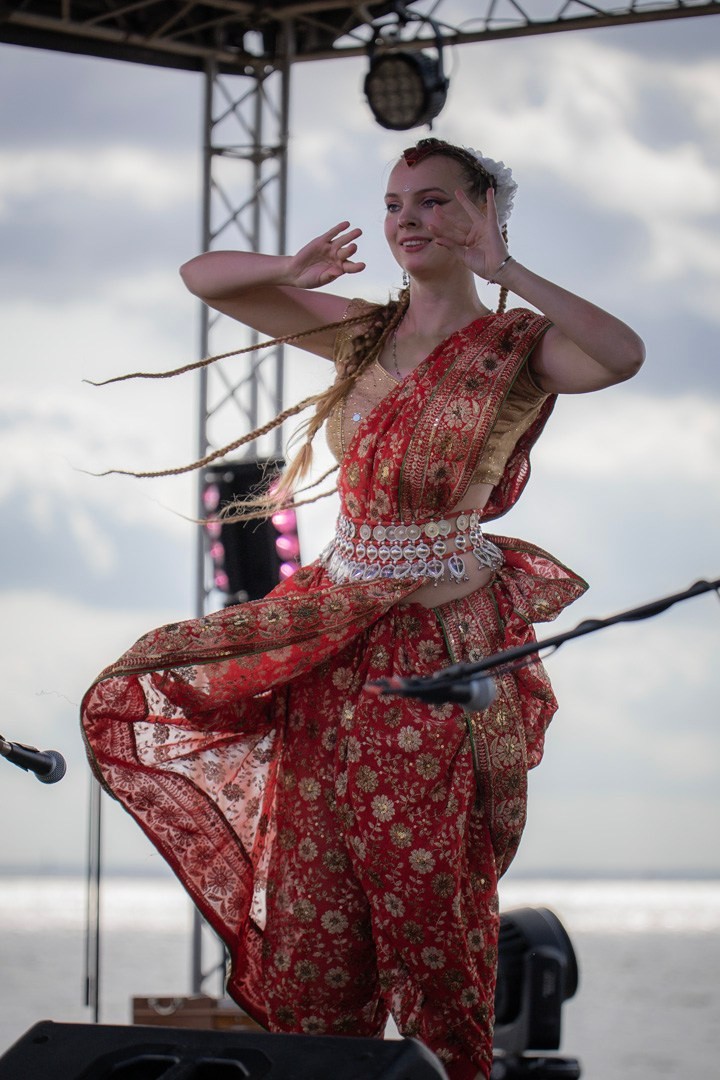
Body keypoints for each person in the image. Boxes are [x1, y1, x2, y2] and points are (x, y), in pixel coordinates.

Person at [81, 138, 644, 1079]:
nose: (408, 221)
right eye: (394, 206)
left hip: (436, 658)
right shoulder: (363, 331)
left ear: (484, 213)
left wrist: (503, 269)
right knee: (315, 914)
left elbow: (620, 354)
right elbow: (204, 276)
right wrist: (289, 270)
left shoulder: (519, 346)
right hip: (335, 643)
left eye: (434, 202)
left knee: (428, 913)